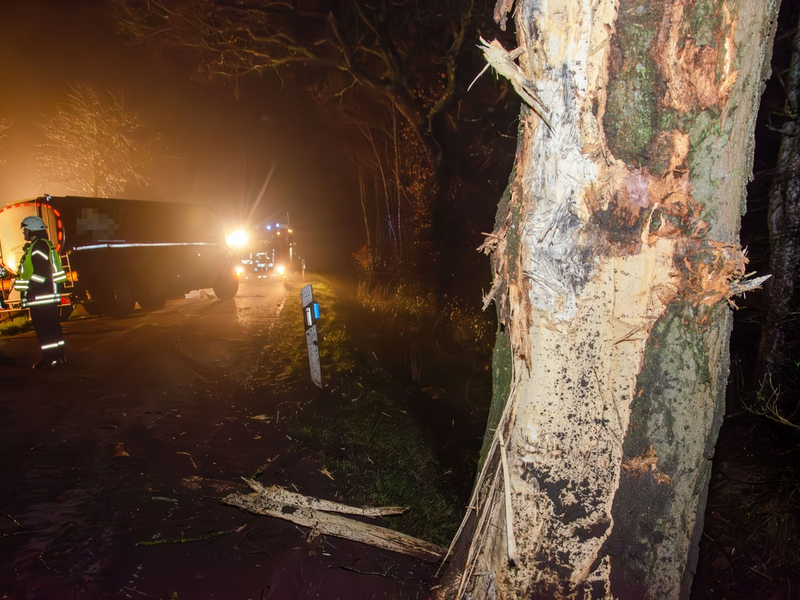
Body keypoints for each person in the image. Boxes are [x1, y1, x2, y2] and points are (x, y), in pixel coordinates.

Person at [13, 216, 68, 368]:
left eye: (26, 230)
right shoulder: (42, 245)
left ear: (34, 230)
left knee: (45, 330)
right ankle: (58, 357)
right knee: (52, 329)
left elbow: (41, 274)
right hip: (46, 297)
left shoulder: (38, 247)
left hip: (40, 297)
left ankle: (50, 359)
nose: (24, 233)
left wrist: (29, 289)